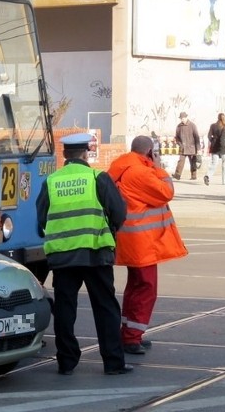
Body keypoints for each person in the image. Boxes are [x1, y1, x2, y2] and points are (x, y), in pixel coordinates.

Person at [35, 132, 131, 376]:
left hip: (63, 257)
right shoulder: (97, 177)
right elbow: (119, 212)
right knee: (105, 307)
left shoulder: (52, 181)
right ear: (86, 153)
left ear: (65, 155)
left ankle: (66, 361)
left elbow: (41, 220)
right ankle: (113, 363)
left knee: (65, 309)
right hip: (95, 253)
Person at [107, 136, 188, 355]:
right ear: (150, 152)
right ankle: (131, 338)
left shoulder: (121, 167)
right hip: (141, 243)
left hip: (130, 239)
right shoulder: (140, 172)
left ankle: (129, 333)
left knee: (135, 287)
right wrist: (160, 169)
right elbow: (166, 192)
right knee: (146, 289)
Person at [173, 112, 201, 181]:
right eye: (181, 118)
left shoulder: (192, 125)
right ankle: (177, 175)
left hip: (191, 147)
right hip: (183, 147)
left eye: (183, 118)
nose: (182, 119)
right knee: (181, 161)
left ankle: (193, 176)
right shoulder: (179, 126)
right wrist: (179, 144)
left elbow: (197, 137)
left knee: (192, 161)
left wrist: (198, 148)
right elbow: (177, 137)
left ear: (186, 117)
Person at [204, 113, 225, 185]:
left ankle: (207, 176)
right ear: (224, 119)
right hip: (222, 147)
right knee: (224, 164)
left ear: (218, 118)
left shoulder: (213, 125)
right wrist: (221, 146)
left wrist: (213, 141)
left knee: (214, 163)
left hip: (214, 146)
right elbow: (222, 138)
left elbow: (209, 136)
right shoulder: (224, 126)